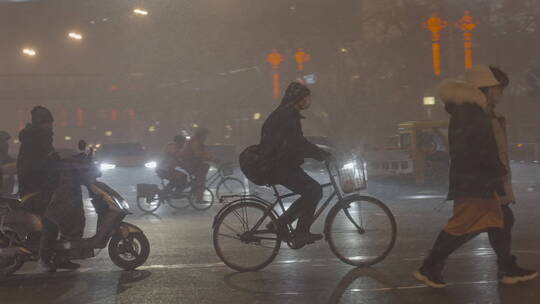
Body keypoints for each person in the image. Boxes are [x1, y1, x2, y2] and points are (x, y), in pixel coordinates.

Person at [414, 66, 537, 288]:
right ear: (488, 88)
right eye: (499, 89)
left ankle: (507, 267)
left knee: (502, 220)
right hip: (476, 182)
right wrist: (496, 176)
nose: (501, 94)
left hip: (478, 180)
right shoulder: (472, 114)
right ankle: (429, 267)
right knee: (461, 227)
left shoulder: (476, 112)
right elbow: (480, 151)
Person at [260, 81, 331, 246]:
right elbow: (298, 143)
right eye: (305, 98)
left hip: (278, 163)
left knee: (311, 191)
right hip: (277, 165)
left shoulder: (285, 113)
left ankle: (279, 224)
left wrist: (318, 154)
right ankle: (300, 232)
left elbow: (296, 143)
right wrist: (322, 155)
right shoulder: (288, 116)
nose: (307, 101)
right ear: (297, 98)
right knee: (313, 190)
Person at [17, 106, 79, 272]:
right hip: (35, 190)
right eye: (48, 122)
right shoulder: (36, 140)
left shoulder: (38, 139)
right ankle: (45, 260)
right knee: (53, 223)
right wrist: (56, 166)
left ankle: (60, 257)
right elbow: (41, 164)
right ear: (41, 123)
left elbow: (51, 159)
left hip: (42, 188)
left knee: (64, 219)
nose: (51, 125)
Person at [180, 128, 213, 202]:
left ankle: (195, 191)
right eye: (205, 135)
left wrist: (210, 157)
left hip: (190, 163)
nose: (206, 137)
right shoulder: (196, 142)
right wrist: (211, 158)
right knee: (201, 179)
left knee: (201, 174)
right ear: (201, 135)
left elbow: (202, 152)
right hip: (191, 163)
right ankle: (199, 198)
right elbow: (198, 153)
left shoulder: (195, 141)